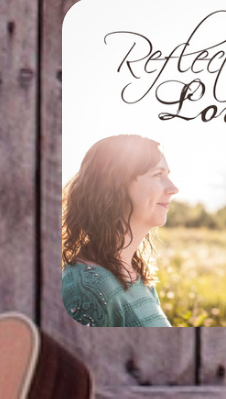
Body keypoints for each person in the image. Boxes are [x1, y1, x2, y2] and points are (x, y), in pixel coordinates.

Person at [60, 134, 178, 327]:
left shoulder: (137, 275)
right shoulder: (88, 291)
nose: (173, 188)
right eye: (158, 175)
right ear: (116, 184)